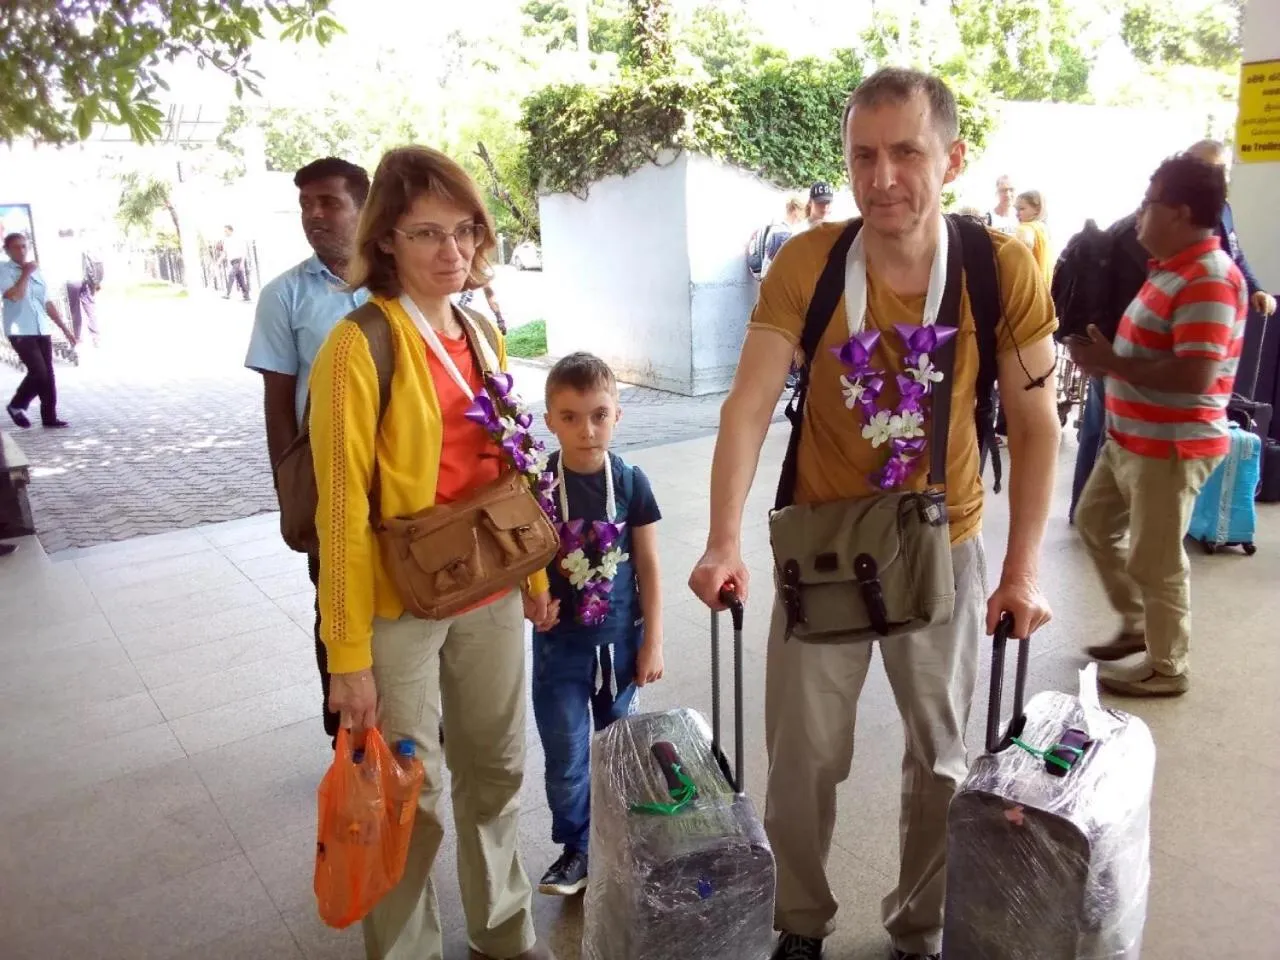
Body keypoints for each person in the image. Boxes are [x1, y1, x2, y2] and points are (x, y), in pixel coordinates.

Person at [688, 67, 1060, 960]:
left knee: (939, 760)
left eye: (906, 152)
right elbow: (747, 404)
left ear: (953, 159)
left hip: (945, 541)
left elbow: (1038, 425)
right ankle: (801, 923)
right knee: (806, 760)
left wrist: (1021, 573)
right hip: (822, 546)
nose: (883, 176)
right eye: (863, 155)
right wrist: (722, 539)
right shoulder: (809, 264)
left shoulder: (998, 268)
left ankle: (918, 928)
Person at [309, 145, 558, 960]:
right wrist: (347, 656)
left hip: (487, 589)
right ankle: (407, 948)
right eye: (426, 234)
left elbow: (509, 461)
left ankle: (503, 932)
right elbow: (340, 514)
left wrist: (537, 570)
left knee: (496, 771)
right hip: (400, 606)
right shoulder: (358, 346)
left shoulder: (482, 330)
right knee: (407, 793)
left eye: (464, 231)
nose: (452, 252)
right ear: (385, 241)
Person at [1069, 154, 1247, 698]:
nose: (1139, 216)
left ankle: (1167, 666)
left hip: (1171, 447)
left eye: (1148, 205)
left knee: (1157, 559)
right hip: (1132, 439)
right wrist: (1103, 357)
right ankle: (1138, 624)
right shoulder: (1170, 271)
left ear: (1180, 212)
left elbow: (1196, 372)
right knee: (1094, 523)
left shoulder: (1209, 278)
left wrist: (1112, 364)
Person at [244, 156, 370, 741]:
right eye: (305, 205)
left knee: (405, 592)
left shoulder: (399, 281)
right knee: (337, 598)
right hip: (327, 478)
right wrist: (288, 484)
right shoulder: (284, 297)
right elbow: (278, 402)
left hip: (401, 474)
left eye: (328, 202)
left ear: (364, 208)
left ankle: (409, 711)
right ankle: (345, 727)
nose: (313, 215)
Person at [532, 351, 665, 897]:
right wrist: (531, 597)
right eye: (569, 417)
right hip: (559, 649)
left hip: (619, 645)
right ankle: (577, 848)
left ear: (618, 415)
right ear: (549, 421)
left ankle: (619, 841)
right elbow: (524, 557)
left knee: (616, 751)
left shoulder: (631, 482)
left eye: (599, 414)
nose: (586, 430)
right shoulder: (539, 485)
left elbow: (650, 566)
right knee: (566, 754)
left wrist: (653, 641)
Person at [1185, 139, 1277, 321]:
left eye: (1223, 171)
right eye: (1207, 170)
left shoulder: (1224, 209)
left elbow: (1235, 254)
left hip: (1223, 311)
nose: (1216, 178)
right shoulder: (1174, 214)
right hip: (1190, 309)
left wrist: (1255, 289)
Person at [3, 232, 76, 429]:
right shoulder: (4, 270)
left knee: (48, 374)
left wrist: (64, 328)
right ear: (7, 250)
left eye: (24, 246)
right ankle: (16, 405)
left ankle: (49, 417)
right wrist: (25, 273)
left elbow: (46, 301)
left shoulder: (36, 270)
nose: (22, 250)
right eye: (16, 247)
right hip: (20, 329)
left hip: (41, 327)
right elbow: (15, 296)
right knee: (39, 372)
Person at [1014, 190, 1053, 284]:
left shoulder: (1025, 228)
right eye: (1016, 209)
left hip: (1029, 287)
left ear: (1037, 209)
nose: (1017, 214)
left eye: (1021, 209)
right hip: (1044, 288)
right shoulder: (1043, 229)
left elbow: (1026, 241)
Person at [220, 225, 251, 301]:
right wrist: (218, 261)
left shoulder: (237, 239)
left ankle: (227, 293)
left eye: (226, 231)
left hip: (239, 260)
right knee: (240, 280)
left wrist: (242, 263)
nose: (225, 232)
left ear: (231, 230)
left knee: (231, 275)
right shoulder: (226, 241)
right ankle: (246, 295)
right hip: (233, 262)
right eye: (224, 231)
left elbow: (243, 251)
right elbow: (224, 253)